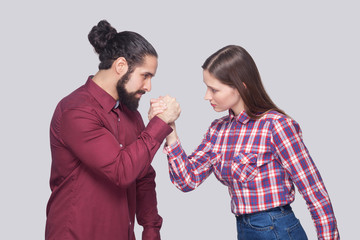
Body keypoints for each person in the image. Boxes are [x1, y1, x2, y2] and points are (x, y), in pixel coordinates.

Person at [151, 45, 339, 239]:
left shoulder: (276, 126)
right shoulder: (218, 131)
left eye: (214, 89)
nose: (207, 96)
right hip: (245, 229)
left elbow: (314, 192)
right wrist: (170, 130)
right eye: (207, 87)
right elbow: (187, 180)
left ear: (241, 86)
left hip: (277, 229)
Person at [45, 20, 180, 240]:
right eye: (144, 76)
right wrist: (160, 123)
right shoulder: (76, 110)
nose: (148, 87)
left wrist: (151, 229)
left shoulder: (131, 114)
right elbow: (121, 171)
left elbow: (142, 176)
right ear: (120, 66)